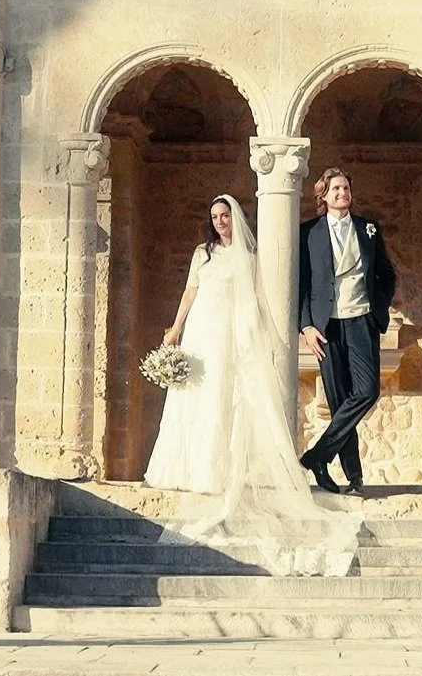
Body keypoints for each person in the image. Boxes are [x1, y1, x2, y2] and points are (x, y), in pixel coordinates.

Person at [142, 194, 358, 576]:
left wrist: (263, 337)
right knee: (195, 399)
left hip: (230, 332)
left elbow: (259, 299)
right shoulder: (201, 254)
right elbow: (190, 292)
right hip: (201, 331)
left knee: (223, 398)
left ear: (235, 217)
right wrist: (175, 330)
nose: (220, 221)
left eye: (225, 215)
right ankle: (191, 469)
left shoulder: (250, 256)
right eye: (215, 216)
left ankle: (221, 470)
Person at [296, 168, 396, 495]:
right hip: (326, 328)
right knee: (340, 403)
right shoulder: (308, 232)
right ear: (323, 196)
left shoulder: (369, 229)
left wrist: (376, 308)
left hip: (360, 321)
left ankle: (316, 455)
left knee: (367, 391)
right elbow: (301, 284)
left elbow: (386, 275)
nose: (343, 193)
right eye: (336, 188)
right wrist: (306, 325)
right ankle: (354, 478)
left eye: (346, 188)